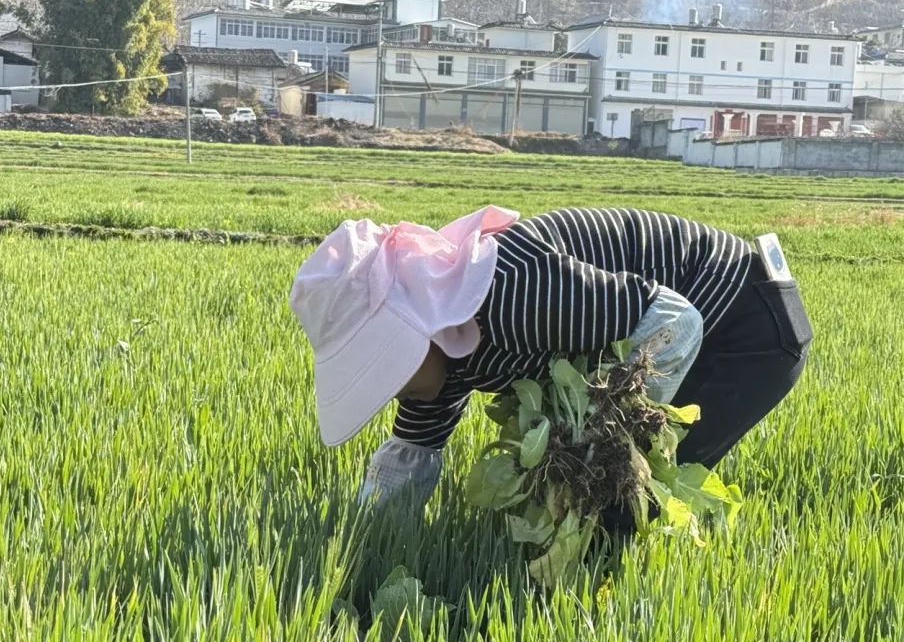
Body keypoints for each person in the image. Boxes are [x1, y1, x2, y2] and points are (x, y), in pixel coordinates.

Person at [289, 206, 813, 537]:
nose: (391, 388)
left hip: (746, 328)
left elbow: (673, 321)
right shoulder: (444, 346)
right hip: (692, 326)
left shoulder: (510, 293)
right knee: (589, 499)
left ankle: (609, 634)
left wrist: (609, 440)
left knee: (617, 505)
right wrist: (361, 541)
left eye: (386, 365)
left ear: (419, 326)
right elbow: (410, 458)